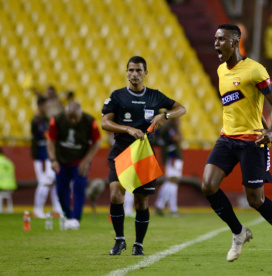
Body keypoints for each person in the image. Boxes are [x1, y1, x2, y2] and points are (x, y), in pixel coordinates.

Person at [202, 24, 272, 268]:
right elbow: (246, 105)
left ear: (235, 42)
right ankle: (238, 232)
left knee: (256, 200)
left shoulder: (255, 69)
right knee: (208, 185)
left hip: (252, 142)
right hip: (227, 138)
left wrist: (270, 129)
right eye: (215, 39)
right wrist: (265, 123)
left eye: (221, 39)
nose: (216, 44)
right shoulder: (221, 70)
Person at [101, 56, 186, 256]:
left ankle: (138, 244)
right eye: (131, 70)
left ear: (145, 73)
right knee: (115, 194)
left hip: (144, 154)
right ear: (126, 72)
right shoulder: (118, 96)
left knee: (141, 202)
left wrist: (164, 115)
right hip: (121, 151)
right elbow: (105, 122)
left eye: (139, 70)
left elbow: (181, 108)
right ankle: (119, 239)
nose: (134, 74)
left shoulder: (155, 96)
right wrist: (127, 129)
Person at [47, 101, 101, 230]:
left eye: (75, 117)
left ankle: (76, 218)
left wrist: (86, 161)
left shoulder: (90, 121)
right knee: (61, 190)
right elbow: (50, 141)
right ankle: (68, 215)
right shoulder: (56, 120)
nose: (72, 120)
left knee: (79, 188)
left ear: (80, 114)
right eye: (69, 117)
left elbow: (96, 142)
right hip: (61, 160)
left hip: (80, 160)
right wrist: (53, 159)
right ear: (65, 113)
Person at [31, 96, 62, 219]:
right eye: (46, 106)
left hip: (49, 155)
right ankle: (37, 210)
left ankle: (57, 209)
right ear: (40, 106)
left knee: (54, 181)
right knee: (44, 182)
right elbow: (46, 135)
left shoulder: (45, 119)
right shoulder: (37, 120)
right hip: (40, 156)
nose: (48, 108)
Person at [155, 118, 184, 216]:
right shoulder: (168, 127)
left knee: (174, 183)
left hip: (172, 156)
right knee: (172, 180)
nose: (179, 119)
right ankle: (160, 205)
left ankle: (172, 208)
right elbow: (176, 139)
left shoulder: (167, 127)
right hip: (173, 156)